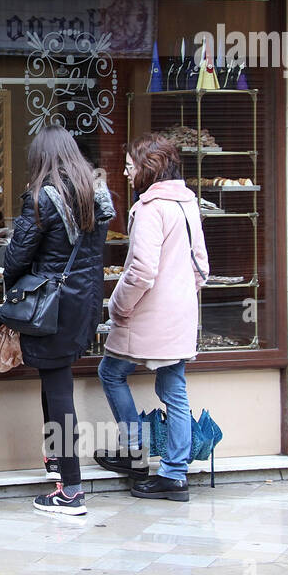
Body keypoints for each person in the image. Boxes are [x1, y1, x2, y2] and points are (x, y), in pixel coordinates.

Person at [4, 126, 114, 516]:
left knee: (58, 388)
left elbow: (17, 256)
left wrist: (12, 282)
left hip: (52, 305)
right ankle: (56, 462)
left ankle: (70, 488)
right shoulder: (95, 195)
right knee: (56, 379)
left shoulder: (43, 199)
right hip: (84, 302)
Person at [94, 133, 209, 502]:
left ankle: (135, 453)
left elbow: (142, 270)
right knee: (174, 389)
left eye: (129, 165)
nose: (125, 172)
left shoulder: (149, 208)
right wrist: (179, 296)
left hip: (147, 313)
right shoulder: (188, 203)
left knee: (110, 372)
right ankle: (174, 474)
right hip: (180, 313)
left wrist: (118, 305)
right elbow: (201, 266)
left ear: (147, 168)